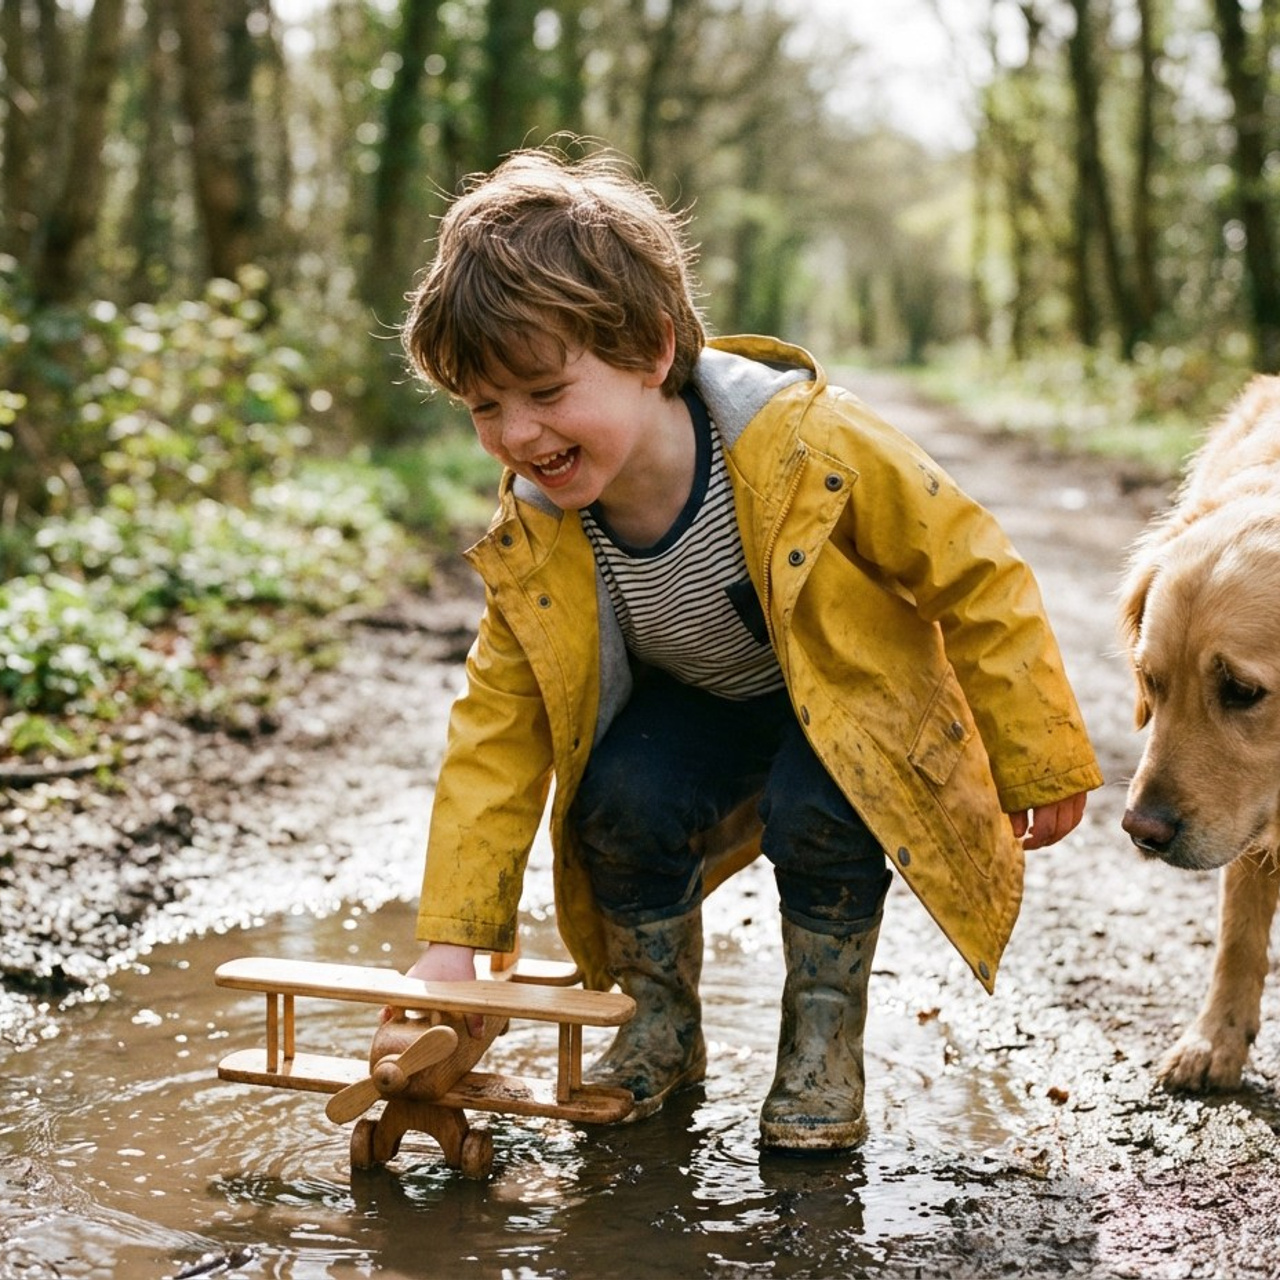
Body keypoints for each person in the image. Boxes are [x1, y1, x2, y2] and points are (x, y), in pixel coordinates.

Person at [397, 145, 1102, 1153]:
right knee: (614, 800)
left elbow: (973, 566)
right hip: (702, 707)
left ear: (648, 350)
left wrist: (1033, 751)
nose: (518, 433)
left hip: (843, 700)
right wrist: (452, 942)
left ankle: (819, 1044)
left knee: (825, 806)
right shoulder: (542, 527)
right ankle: (656, 1026)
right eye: (483, 406)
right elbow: (496, 730)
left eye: (546, 391)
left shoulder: (806, 444)